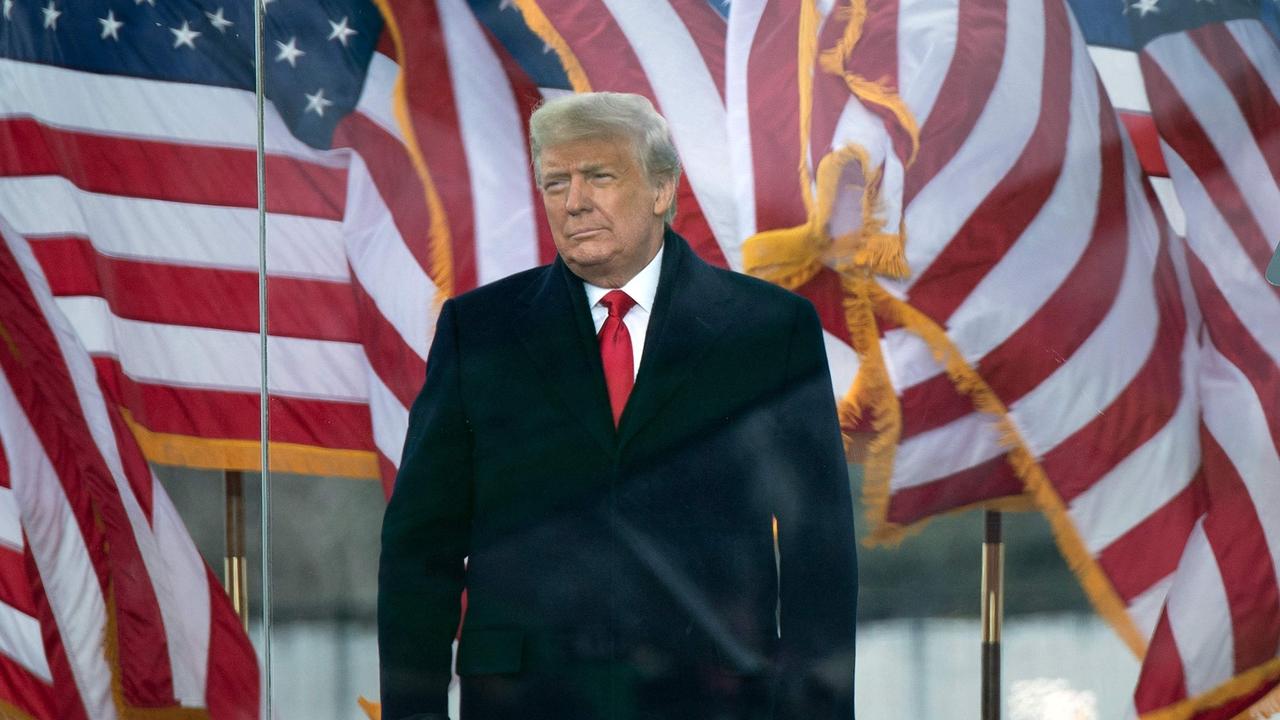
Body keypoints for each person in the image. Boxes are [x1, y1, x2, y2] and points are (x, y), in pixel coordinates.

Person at [378, 92, 857, 720]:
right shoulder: (480, 331)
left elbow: (816, 552)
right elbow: (421, 547)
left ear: (662, 189)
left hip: (711, 697)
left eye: (599, 176)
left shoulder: (768, 332)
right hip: (525, 700)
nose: (574, 201)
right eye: (556, 181)